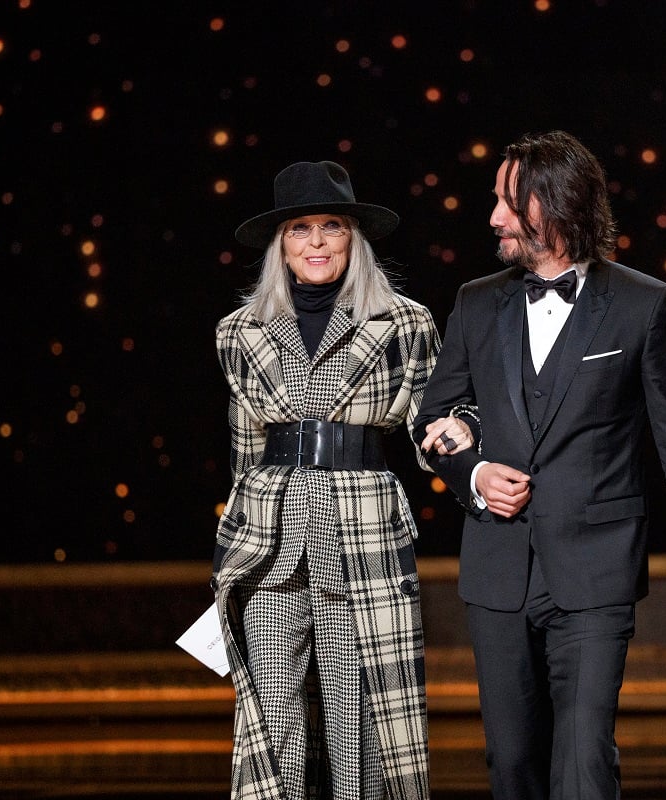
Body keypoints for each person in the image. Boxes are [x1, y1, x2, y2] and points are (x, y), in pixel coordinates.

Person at [413, 130, 666, 800]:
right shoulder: (477, 302)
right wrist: (472, 473)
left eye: (509, 202)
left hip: (595, 569)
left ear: (559, 204)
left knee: (585, 761)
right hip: (498, 570)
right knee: (511, 765)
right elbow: (432, 417)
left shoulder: (643, 306)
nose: (495, 218)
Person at [211, 160, 473, 800]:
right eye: (301, 229)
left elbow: (426, 423)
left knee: (365, 721)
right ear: (282, 245)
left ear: (355, 238)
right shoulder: (238, 333)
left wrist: (463, 442)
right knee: (270, 721)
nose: (318, 241)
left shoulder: (405, 323)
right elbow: (246, 449)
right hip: (270, 541)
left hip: (364, 536)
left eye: (332, 225)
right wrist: (232, 545)